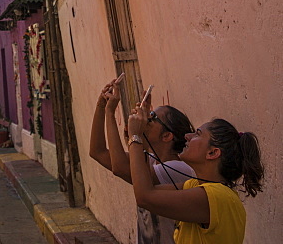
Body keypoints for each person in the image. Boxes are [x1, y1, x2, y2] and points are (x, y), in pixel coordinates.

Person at [126, 101, 264, 244]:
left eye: (197, 134)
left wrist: (135, 137)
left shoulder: (215, 196)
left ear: (212, 152)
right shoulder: (196, 186)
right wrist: (143, 137)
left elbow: (145, 197)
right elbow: (148, 188)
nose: (187, 136)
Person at [90, 77, 194, 244]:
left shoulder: (178, 169)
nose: (144, 119)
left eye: (151, 118)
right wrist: (101, 106)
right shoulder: (152, 160)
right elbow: (98, 152)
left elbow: (120, 168)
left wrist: (112, 114)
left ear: (167, 136)